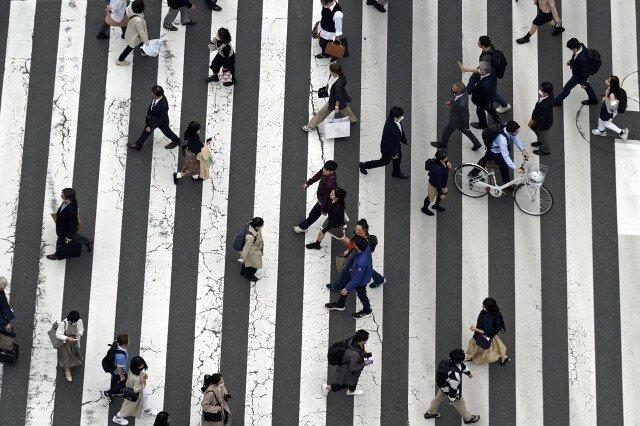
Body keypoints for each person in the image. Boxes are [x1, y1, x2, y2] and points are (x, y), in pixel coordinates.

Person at [423, 349, 480, 423]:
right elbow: (453, 389)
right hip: (450, 391)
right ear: (459, 361)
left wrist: (468, 373)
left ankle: (430, 413)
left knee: (437, 399)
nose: (465, 355)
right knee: (460, 404)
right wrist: (452, 399)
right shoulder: (455, 375)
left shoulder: (448, 361)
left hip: (443, 387)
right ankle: (468, 418)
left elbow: (462, 365)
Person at [459, 36, 511, 114]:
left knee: (491, 92)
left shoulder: (486, 57)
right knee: (472, 79)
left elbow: (483, 71)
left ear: (483, 45)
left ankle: (505, 105)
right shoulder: (489, 47)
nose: (478, 43)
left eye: (479, 42)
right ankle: (465, 94)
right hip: (484, 68)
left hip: (487, 75)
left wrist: (467, 69)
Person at [325, 236, 373, 319]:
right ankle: (340, 304)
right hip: (357, 272)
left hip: (361, 281)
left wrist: (347, 289)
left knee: (362, 295)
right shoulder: (366, 247)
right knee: (345, 284)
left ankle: (367, 310)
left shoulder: (361, 262)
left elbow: (357, 279)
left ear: (357, 246)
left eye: (354, 243)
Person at [330, 219, 385, 290]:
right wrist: (348, 250)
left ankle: (337, 286)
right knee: (366, 269)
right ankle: (379, 280)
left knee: (346, 269)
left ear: (364, 230)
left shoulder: (367, 242)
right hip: (354, 254)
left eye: (359, 230)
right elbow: (352, 242)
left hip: (358, 256)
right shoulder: (357, 234)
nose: (356, 231)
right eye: (356, 229)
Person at [303, 63, 357, 131]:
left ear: (335, 72)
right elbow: (330, 84)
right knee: (344, 108)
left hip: (334, 100)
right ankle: (353, 119)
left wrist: (336, 107)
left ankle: (310, 126)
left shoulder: (338, 85)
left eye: (330, 71)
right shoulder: (336, 76)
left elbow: (338, 97)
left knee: (322, 113)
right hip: (339, 98)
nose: (329, 72)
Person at [359, 106, 409, 179]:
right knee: (383, 162)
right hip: (388, 149)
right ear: (395, 118)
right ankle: (364, 165)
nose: (402, 117)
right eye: (401, 117)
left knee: (398, 158)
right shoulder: (390, 129)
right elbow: (390, 144)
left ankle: (396, 172)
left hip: (396, 144)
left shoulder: (393, 119)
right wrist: (393, 154)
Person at [129, 85, 182, 151]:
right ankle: (138, 145)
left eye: (152, 94)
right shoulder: (156, 98)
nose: (151, 94)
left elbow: (162, 119)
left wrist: (151, 127)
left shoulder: (163, 105)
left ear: (158, 95)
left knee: (167, 132)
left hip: (161, 121)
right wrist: (148, 118)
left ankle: (176, 141)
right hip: (153, 118)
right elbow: (151, 107)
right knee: (146, 131)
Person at [431, 82, 482, 151]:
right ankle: (477, 143)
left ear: (458, 92)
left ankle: (443, 144)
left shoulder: (461, 105)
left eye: (453, 89)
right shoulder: (464, 93)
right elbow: (456, 98)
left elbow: (466, 116)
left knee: (447, 131)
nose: (451, 88)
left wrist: (466, 126)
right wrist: (451, 102)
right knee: (466, 132)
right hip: (460, 120)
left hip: (455, 121)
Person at [46, 188, 94, 260]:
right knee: (74, 236)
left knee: (61, 242)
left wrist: (69, 237)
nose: (61, 194)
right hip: (65, 226)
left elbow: (72, 225)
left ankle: (57, 254)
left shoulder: (71, 211)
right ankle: (87, 242)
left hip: (64, 229)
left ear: (67, 197)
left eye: (62, 194)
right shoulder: (71, 200)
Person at [477, 121, 529, 185]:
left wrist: (523, 150)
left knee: (484, 160)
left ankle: (473, 173)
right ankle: (508, 186)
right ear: (510, 132)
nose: (518, 132)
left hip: (493, 149)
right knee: (504, 167)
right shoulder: (502, 139)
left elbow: (515, 138)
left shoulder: (507, 127)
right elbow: (505, 155)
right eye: (516, 131)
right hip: (495, 152)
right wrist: (515, 168)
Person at [112, 356, 160, 425]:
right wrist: (144, 379)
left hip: (134, 389)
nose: (142, 366)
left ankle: (146, 410)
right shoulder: (137, 378)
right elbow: (136, 390)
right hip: (133, 393)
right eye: (140, 366)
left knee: (144, 397)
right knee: (128, 406)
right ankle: (117, 418)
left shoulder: (132, 370)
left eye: (142, 364)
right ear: (136, 367)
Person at [323, 329, 371, 396]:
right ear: (362, 341)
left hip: (350, 366)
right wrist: (364, 364)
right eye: (366, 340)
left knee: (353, 381)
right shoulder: (354, 355)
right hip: (348, 371)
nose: (366, 341)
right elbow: (352, 368)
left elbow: (357, 349)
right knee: (346, 383)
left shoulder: (353, 337)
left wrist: (363, 351)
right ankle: (327, 388)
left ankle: (351, 391)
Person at [294, 160, 338, 233]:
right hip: (324, 198)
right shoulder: (326, 171)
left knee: (313, 215)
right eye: (324, 168)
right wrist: (308, 183)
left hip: (323, 202)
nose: (323, 170)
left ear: (332, 171)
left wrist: (323, 209)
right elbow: (318, 175)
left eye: (326, 170)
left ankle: (303, 227)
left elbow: (327, 199)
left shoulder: (330, 184)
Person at [465, 297, 511, 365]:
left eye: (484, 305)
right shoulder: (496, 313)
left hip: (483, 335)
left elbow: (485, 332)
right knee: (496, 347)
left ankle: (468, 356)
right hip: (491, 335)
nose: (482, 305)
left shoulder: (488, 318)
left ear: (489, 307)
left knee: (472, 344)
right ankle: (503, 357)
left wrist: (475, 329)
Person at [554, 38, 598, 106]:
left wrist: (583, 83)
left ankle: (557, 101)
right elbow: (576, 56)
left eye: (571, 49)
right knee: (587, 87)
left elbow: (584, 72)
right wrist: (572, 61)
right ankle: (593, 99)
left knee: (566, 89)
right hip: (579, 74)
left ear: (575, 48)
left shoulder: (582, 59)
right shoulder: (581, 46)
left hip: (577, 76)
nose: (571, 51)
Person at [591, 75, 629, 140]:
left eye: (608, 81)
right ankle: (601, 131)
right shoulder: (615, 89)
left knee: (606, 123)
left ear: (612, 84)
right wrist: (606, 98)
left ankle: (622, 132)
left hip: (608, 111)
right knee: (601, 118)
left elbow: (613, 106)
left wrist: (607, 102)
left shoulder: (612, 95)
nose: (606, 81)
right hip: (606, 107)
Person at [468, 62, 500, 130]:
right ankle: (497, 119)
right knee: (490, 109)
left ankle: (483, 125)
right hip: (491, 97)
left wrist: (481, 106)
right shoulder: (491, 70)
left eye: (480, 69)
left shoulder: (485, 85)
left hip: (483, 101)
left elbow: (485, 98)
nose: (478, 69)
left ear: (484, 72)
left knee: (480, 112)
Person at [116, 0, 149, 67]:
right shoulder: (138, 20)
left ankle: (143, 51)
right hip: (134, 36)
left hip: (131, 31)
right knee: (129, 48)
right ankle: (120, 60)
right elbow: (142, 33)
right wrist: (147, 42)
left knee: (140, 41)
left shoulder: (130, 8)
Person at [56, 310, 84, 382]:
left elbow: (81, 330)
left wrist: (78, 334)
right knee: (66, 357)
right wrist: (67, 338)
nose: (75, 323)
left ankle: (71, 363)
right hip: (64, 344)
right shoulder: (63, 324)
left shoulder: (79, 321)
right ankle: (67, 370)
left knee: (73, 354)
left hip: (74, 343)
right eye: (74, 322)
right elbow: (58, 334)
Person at [422, 150, 451, 216]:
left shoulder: (439, 161)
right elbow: (437, 183)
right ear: (441, 160)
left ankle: (436, 205)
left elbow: (445, 162)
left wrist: (447, 163)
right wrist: (440, 194)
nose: (447, 158)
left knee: (444, 192)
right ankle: (424, 208)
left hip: (442, 182)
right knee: (430, 198)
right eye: (445, 158)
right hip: (434, 185)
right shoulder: (438, 169)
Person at [529, 81, 555, 155]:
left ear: (546, 92)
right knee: (538, 133)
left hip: (543, 125)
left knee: (544, 138)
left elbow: (542, 119)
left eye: (541, 89)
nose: (539, 90)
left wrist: (535, 126)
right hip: (535, 118)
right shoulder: (549, 94)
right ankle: (539, 141)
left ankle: (545, 150)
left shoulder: (546, 105)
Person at [103, 333, 130, 402]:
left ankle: (114, 391)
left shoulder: (116, 343)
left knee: (114, 380)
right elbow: (119, 368)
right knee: (124, 382)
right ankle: (108, 393)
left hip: (113, 368)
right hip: (117, 372)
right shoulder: (121, 357)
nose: (129, 341)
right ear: (124, 344)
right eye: (128, 340)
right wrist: (121, 376)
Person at [239, 217, 264, 283]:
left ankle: (243, 272)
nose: (261, 227)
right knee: (255, 266)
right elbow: (246, 248)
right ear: (257, 227)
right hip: (252, 252)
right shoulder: (251, 237)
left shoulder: (250, 226)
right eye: (260, 226)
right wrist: (242, 257)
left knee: (247, 262)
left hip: (251, 251)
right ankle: (249, 275)